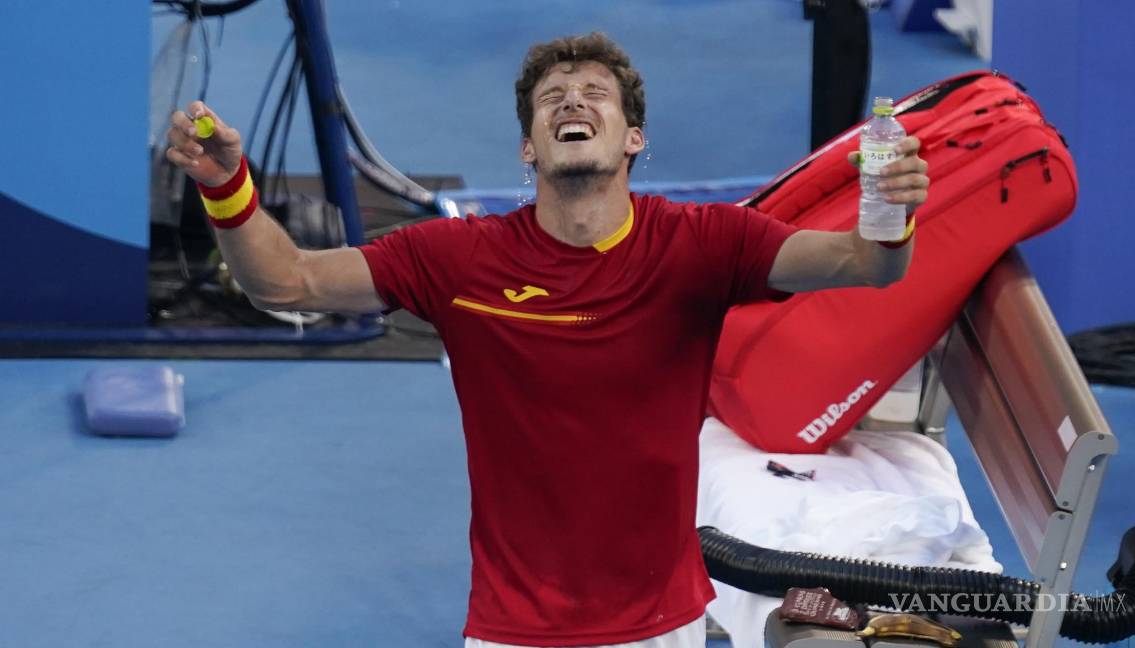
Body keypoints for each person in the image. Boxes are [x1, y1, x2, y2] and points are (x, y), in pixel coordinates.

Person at [167, 32, 928, 648]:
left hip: (661, 624)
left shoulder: (703, 244)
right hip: (514, 628)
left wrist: (891, 212)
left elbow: (867, 264)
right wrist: (227, 189)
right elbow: (286, 282)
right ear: (530, 148)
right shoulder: (456, 259)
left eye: (595, 94)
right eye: (551, 100)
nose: (573, 102)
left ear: (633, 138)